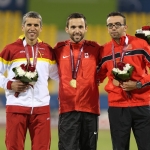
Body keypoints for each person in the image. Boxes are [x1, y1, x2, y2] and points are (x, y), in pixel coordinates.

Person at [0, 11, 58, 150]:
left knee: (42, 147)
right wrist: (9, 84)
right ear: (23, 27)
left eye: (36, 25)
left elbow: (58, 75)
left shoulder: (48, 50)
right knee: (14, 147)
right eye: (29, 24)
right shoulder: (10, 49)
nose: (32, 28)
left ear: (41, 28)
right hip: (16, 107)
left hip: (41, 108)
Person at [97, 11, 150, 150]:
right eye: (110, 25)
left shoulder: (141, 45)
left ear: (125, 27)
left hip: (142, 104)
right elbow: (97, 76)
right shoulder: (104, 51)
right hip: (117, 106)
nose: (113, 28)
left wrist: (138, 84)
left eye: (117, 24)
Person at [53, 12, 102, 150]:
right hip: (67, 110)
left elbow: (108, 66)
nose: (77, 30)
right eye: (73, 27)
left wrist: (98, 79)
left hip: (90, 109)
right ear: (66, 29)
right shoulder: (59, 48)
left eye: (80, 27)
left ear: (86, 28)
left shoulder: (95, 48)